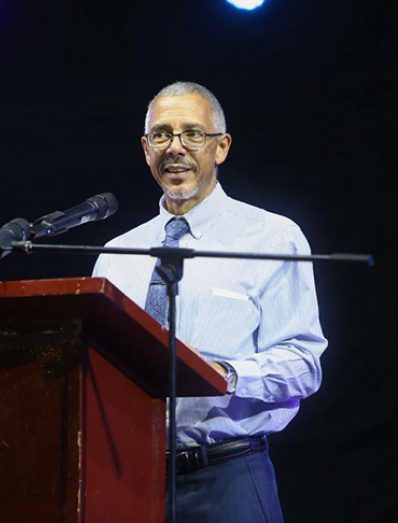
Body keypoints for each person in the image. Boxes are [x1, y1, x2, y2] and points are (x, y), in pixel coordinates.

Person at [92, 81, 327, 522]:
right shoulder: (115, 254)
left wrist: (227, 374)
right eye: (162, 135)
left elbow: (303, 363)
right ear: (146, 149)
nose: (175, 147)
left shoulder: (271, 237)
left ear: (221, 147)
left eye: (192, 134)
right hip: (125, 475)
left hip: (227, 476)